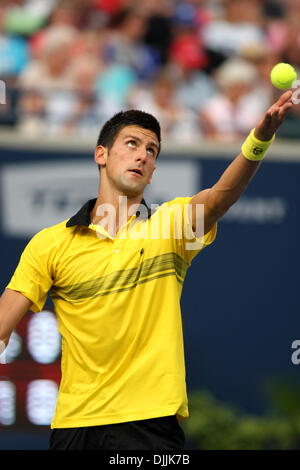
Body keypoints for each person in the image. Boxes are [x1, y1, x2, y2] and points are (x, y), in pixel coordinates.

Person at [0, 90, 294, 450]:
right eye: (132, 143)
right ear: (101, 155)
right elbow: (3, 322)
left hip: (149, 425)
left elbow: (219, 197)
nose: (142, 154)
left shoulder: (171, 228)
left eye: (151, 150)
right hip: (74, 427)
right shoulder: (49, 243)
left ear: (152, 172)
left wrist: (259, 139)